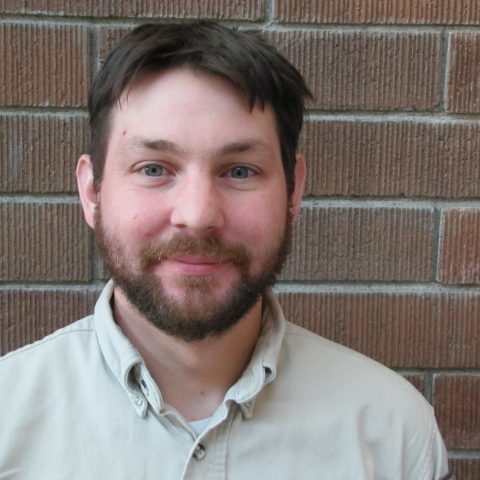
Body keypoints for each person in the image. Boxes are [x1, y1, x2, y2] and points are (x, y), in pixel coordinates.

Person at [0, 22, 452, 479]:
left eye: (239, 171)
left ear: (293, 192)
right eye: (154, 168)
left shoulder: (393, 435)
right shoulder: (9, 420)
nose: (197, 215)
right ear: (93, 192)